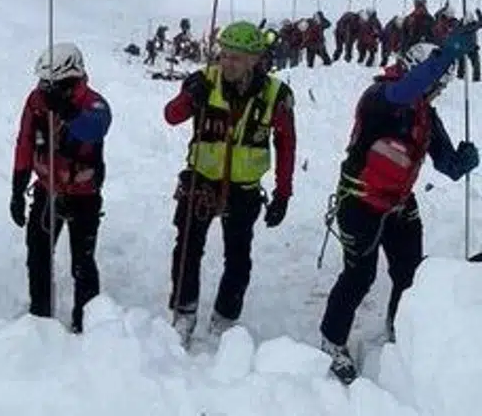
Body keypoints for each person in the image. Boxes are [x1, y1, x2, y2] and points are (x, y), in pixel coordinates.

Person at [317, 26, 480, 384]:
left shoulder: (425, 114)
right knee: (360, 275)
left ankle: (400, 331)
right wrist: (448, 54)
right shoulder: (381, 96)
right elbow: (405, 92)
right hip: (360, 200)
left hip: (399, 204)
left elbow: (446, 164)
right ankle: (332, 340)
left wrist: (462, 162)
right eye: (435, 83)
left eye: (440, 87)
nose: (435, 92)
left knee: (409, 275)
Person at [163, 20, 296, 346]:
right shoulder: (205, 81)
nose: (227, 63)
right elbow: (171, 116)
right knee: (187, 248)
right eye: (224, 55)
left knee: (238, 255)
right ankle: (184, 310)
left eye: (235, 58)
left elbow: (287, 144)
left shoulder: (276, 95)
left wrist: (283, 193)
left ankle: (225, 316)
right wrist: (189, 96)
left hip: (245, 188)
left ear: (255, 60)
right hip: (201, 180)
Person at [9, 42, 112, 333]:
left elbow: (94, 128)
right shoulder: (37, 101)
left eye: (52, 83)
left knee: (83, 262)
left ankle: (87, 321)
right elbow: (25, 142)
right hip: (46, 191)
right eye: (42, 82)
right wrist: (17, 189)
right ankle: (39, 316)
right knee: (38, 255)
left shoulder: (94, 104)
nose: (44, 88)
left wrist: (66, 110)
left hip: (84, 196)